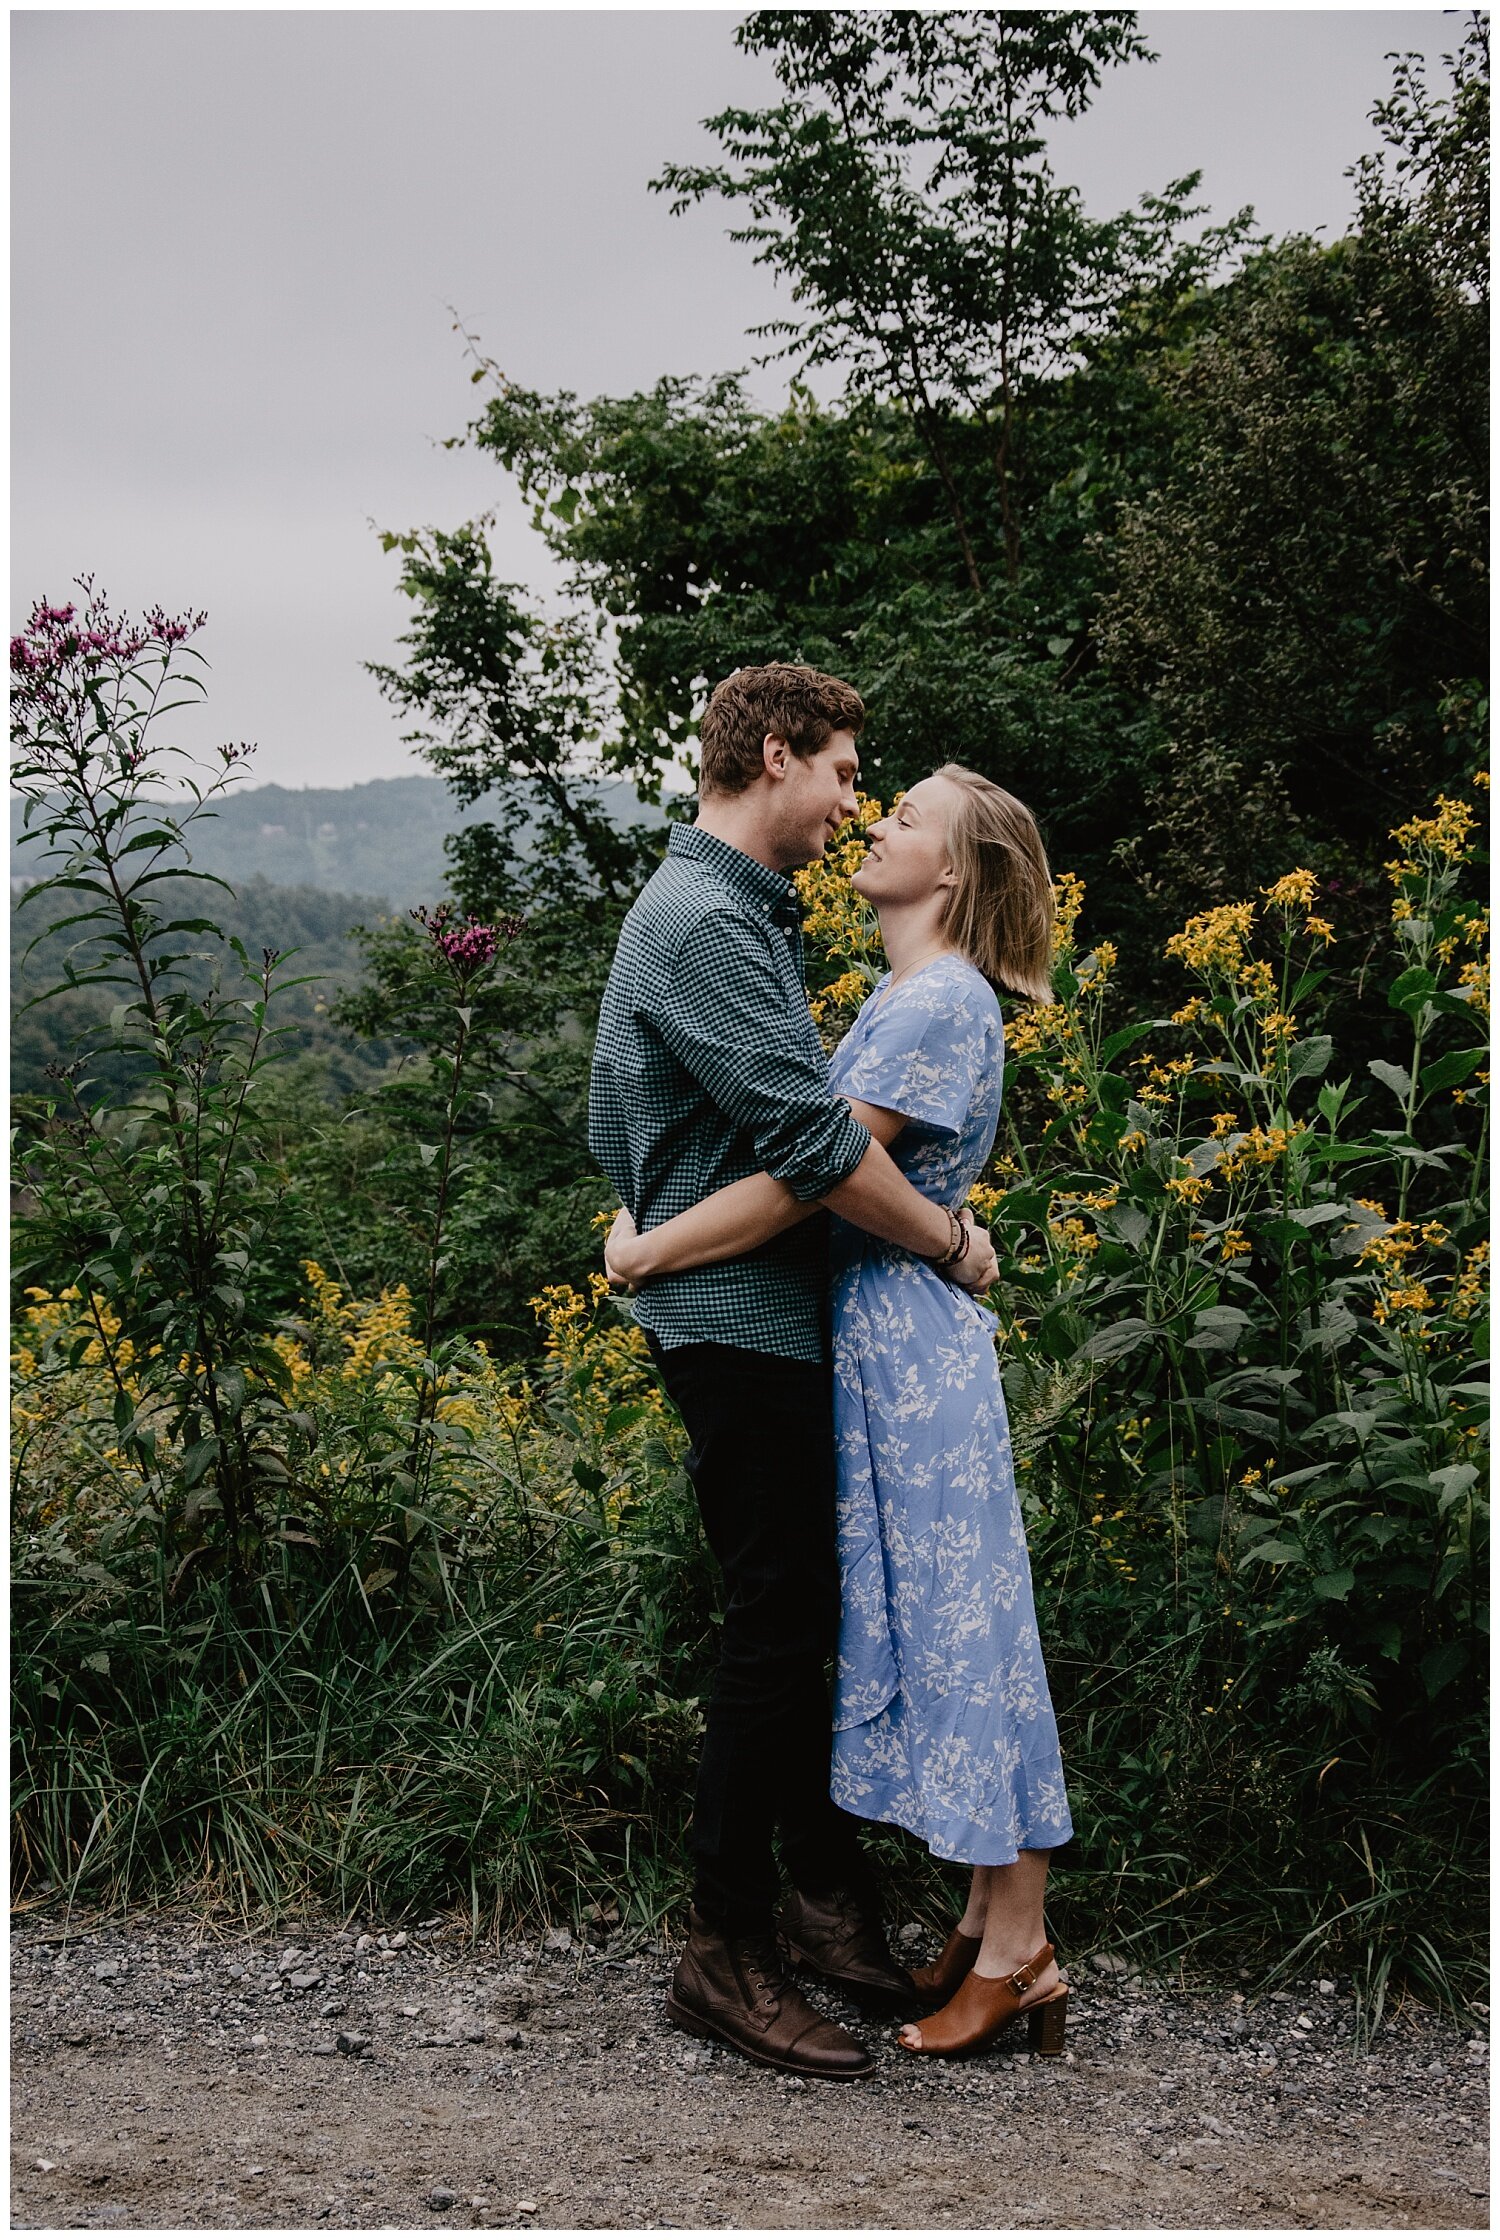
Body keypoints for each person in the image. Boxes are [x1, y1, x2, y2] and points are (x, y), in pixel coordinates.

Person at [606, 761, 1075, 2061]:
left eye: (907, 815)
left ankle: (1020, 1943)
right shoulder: (907, 994)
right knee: (946, 1622)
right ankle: (990, 1928)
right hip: (880, 1344)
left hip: (908, 1355)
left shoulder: (935, 1003)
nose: (877, 821)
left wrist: (648, 1250)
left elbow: (814, 1175)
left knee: (967, 1633)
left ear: (957, 875)